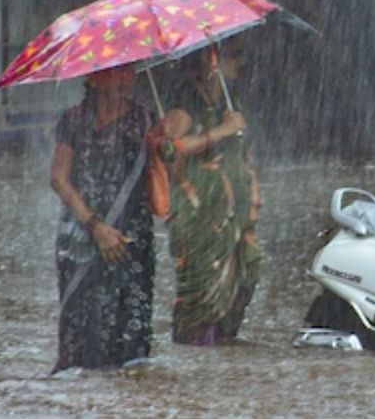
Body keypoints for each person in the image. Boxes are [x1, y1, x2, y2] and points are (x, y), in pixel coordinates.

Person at [50, 66, 156, 373]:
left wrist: (170, 148)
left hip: (130, 241)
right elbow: (58, 179)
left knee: (130, 340)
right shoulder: (73, 119)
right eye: (116, 72)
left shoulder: (147, 121)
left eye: (129, 71)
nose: (126, 79)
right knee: (81, 332)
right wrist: (96, 227)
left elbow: (164, 183)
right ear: (92, 78)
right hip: (82, 237)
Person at [160, 39, 262, 345]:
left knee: (248, 270)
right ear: (211, 59)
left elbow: (244, 151)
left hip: (234, 212)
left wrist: (255, 189)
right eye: (235, 54)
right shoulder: (187, 98)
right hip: (200, 215)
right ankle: (196, 351)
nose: (241, 62)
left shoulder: (232, 100)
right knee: (202, 291)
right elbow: (170, 147)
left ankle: (224, 347)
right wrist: (221, 131)